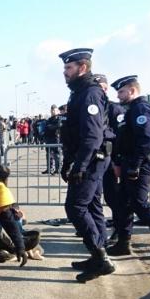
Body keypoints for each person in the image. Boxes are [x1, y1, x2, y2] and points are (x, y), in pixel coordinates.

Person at [58, 48, 115, 282]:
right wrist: (68, 162)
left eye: (69, 68)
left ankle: (100, 258)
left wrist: (79, 166)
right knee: (92, 207)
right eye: (64, 69)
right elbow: (74, 134)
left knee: (75, 207)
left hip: (92, 159)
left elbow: (92, 136)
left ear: (82, 68)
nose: (65, 73)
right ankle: (98, 255)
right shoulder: (79, 92)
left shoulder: (90, 93)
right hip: (88, 157)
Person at [105, 76, 150, 259]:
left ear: (132, 90)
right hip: (129, 162)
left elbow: (147, 140)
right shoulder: (131, 109)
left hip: (139, 165)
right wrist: (120, 162)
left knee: (139, 203)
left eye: (121, 92)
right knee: (122, 204)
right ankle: (124, 242)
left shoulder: (140, 108)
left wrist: (135, 165)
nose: (119, 96)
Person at [94, 74, 125, 246]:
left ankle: (119, 232)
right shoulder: (95, 106)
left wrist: (117, 162)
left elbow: (120, 138)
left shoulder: (114, 109)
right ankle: (100, 232)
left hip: (112, 160)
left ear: (105, 88)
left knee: (114, 199)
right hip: (98, 160)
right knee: (100, 197)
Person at [42, 105, 62, 174]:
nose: (53, 111)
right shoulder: (49, 119)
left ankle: (58, 169)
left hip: (56, 138)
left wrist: (51, 127)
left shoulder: (59, 118)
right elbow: (46, 127)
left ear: (57, 111)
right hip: (48, 138)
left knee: (57, 154)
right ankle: (49, 169)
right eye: (52, 110)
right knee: (48, 154)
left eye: (54, 110)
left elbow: (58, 126)